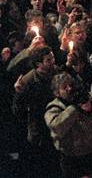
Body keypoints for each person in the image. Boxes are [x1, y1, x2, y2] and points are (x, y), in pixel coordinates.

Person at [44, 73, 92, 178]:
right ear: (57, 93)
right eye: (64, 87)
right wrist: (75, 108)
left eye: (71, 85)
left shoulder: (86, 96)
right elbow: (56, 127)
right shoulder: (55, 107)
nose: (70, 89)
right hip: (72, 159)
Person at [12, 45, 59, 176]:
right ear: (39, 64)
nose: (53, 61)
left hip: (57, 124)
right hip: (40, 129)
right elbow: (18, 111)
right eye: (48, 60)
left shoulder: (57, 72)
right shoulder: (27, 81)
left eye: (53, 58)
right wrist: (19, 94)